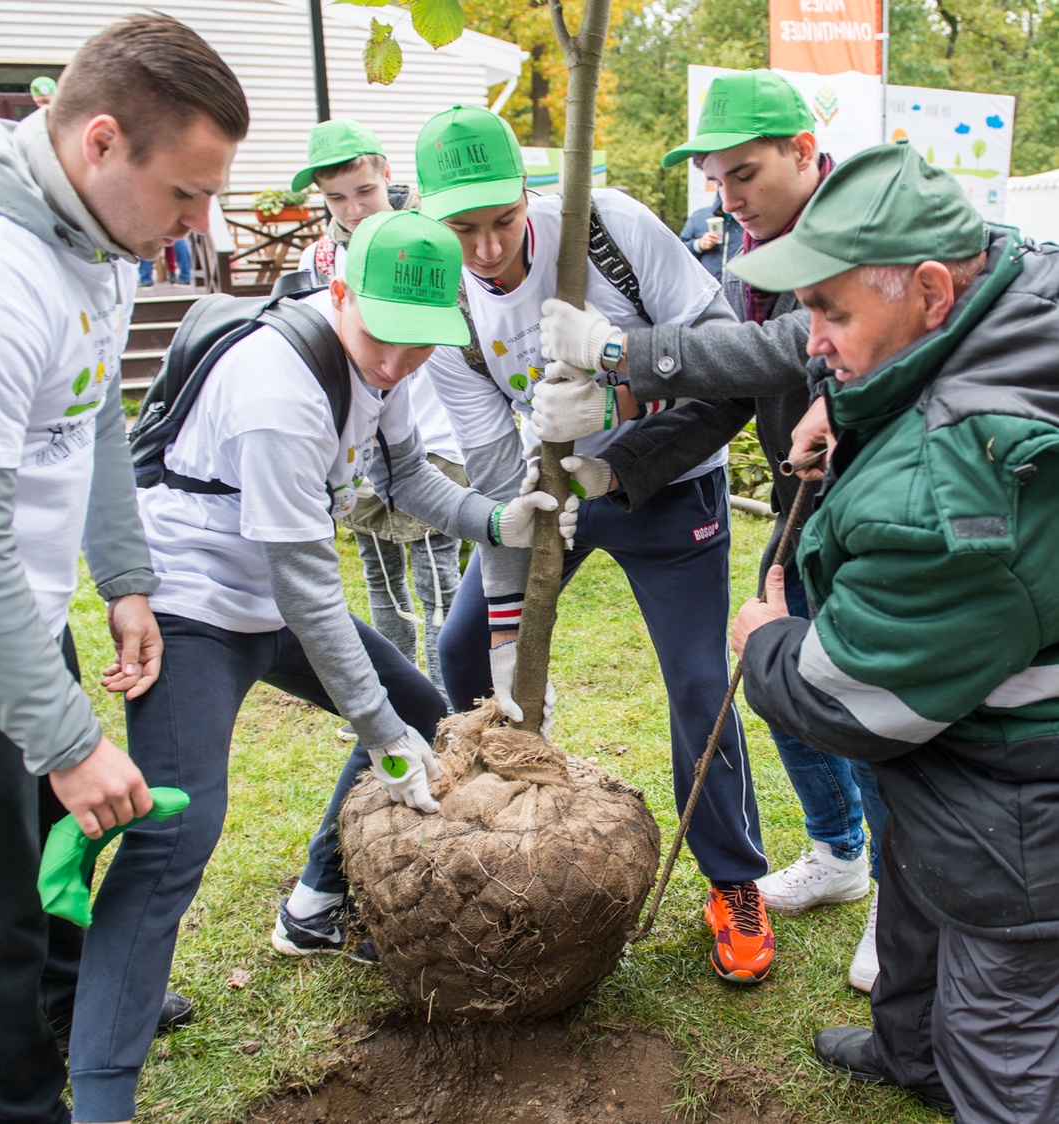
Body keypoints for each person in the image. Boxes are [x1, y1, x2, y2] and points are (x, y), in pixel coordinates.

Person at [67, 208, 569, 1124]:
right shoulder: (276, 388)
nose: (398, 363)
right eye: (384, 337)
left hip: (276, 593)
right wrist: (378, 738)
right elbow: (307, 590)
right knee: (180, 829)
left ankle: (317, 903)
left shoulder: (394, 365)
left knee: (424, 708)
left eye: (422, 345)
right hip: (197, 609)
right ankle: (100, 1087)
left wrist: (500, 520)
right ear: (339, 292)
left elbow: (407, 478)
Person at [0, 13, 247, 1124]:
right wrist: (64, 740)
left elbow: (93, 408)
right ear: (102, 141)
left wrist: (124, 575)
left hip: (22, 621)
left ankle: (70, 1012)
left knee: (52, 878)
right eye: (186, 194)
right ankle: (15, 1099)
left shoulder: (96, 242)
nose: (198, 226)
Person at [533, 69, 887, 991]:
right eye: (718, 182)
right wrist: (626, 466)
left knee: (874, 704)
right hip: (802, 498)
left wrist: (619, 354)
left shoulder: (860, 220)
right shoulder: (757, 241)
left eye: (745, 174)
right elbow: (741, 388)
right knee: (779, 674)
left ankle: (899, 897)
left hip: (879, 504)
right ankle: (838, 851)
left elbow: (781, 352)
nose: (728, 199)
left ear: (804, 152)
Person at [731, 140, 1059, 1122]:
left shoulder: (961, 495)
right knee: (914, 908)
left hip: (1020, 804)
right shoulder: (1002, 290)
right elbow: (928, 380)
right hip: (960, 770)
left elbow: (859, 697)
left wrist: (767, 642)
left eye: (833, 311)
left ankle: (972, 1077)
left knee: (1002, 1028)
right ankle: (907, 1049)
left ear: (926, 286)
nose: (814, 338)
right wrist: (854, 411)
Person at [416, 105, 774, 986]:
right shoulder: (446, 303)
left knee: (698, 686)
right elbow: (497, 466)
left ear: (529, 194)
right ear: (430, 216)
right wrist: (514, 604)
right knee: (463, 644)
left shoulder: (610, 228)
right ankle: (485, 816)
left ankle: (733, 883)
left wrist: (622, 393)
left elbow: (726, 351)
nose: (489, 247)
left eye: (502, 220)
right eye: (463, 228)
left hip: (668, 486)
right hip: (554, 489)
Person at [292, 119, 466, 704]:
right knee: (380, 573)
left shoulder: (433, 238)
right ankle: (397, 692)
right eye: (336, 198)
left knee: (437, 575)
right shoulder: (319, 258)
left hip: (434, 435)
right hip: (359, 440)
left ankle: (448, 698)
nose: (353, 209)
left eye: (363, 191)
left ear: (386, 174)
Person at [679, 190, 743, 282]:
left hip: (738, 290)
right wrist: (699, 245)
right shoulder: (700, 217)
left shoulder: (747, 220)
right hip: (706, 289)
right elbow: (679, 251)